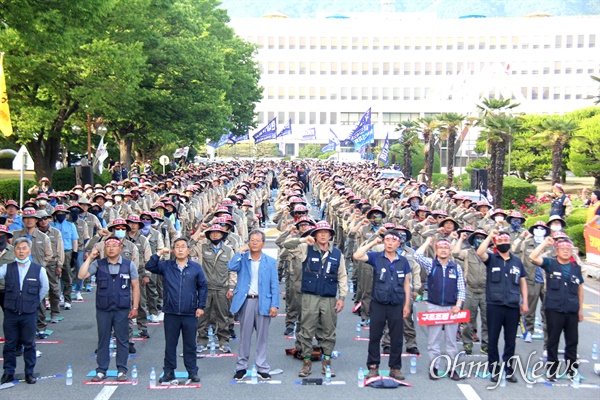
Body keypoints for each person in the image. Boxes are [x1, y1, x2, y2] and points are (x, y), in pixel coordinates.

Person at [283, 221, 348, 378]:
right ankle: (306, 363)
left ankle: (327, 363)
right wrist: (302, 240)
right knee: (306, 331)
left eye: (326, 232)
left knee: (328, 332)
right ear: (315, 235)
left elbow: (342, 275)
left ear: (331, 235)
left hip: (329, 298)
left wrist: (342, 297)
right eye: (320, 232)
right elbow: (286, 244)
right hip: (309, 297)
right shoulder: (306, 249)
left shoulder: (338, 254)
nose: (324, 235)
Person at [145, 238, 208, 384]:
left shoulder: (196, 267)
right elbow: (150, 266)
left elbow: (203, 287)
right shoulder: (167, 266)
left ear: (188, 250)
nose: (180, 249)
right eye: (177, 247)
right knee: (170, 344)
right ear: (173, 250)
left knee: (190, 344)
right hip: (171, 312)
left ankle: (192, 371)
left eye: (183, 247)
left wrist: (201, 306)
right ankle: (169, 372)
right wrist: (159, 253)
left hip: (190, 312)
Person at [78, 239, 140, 382]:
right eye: (108, 246)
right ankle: (101, 370)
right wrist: (90, 259)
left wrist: (135, 307)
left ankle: (122, 370)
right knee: (103, 340)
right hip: (103, 309)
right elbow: (81, 276)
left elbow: (135, 286)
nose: (111, 249)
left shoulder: (128, 265)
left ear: (120, 248)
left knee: (123, 340)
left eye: (114, 246)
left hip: (122, 308)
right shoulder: (98, 264)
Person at [353, 230, 411, 380]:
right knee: (375, 336)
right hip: (378, 302)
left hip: (396, 303)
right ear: (384, 242)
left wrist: (407, 304)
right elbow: (357, 255)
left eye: (393, 241)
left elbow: (406, 283)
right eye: (387, 240)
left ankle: (395, 367)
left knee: (397, 337)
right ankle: (373, 366)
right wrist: (373, 242)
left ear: (399, 243)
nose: (390, 243)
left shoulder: (403, 261)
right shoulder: (376, 257)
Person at [529, 234, 584, 381]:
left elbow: (580, 288)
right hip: (554, 308)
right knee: (553, 340)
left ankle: (571, 370)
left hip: (571, 309)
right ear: (557, 251)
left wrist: (580, 309)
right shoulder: (550, 263)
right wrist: (545, 244)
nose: (566, 251)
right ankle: (552, 370)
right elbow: (533, 257)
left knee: (572, 341)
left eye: (568, 249)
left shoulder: (576, 268)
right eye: (562, 249)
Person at [476, 230, 528, 383]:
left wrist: (525, 301)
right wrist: (490, 237)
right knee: (493, 339)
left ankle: (509, 369)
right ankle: (494, 370)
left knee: (510, 340)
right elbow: (480, 252)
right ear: (496, 244)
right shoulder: (491, 258)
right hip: (494, 305)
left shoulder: (517, 261)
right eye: (501, 240)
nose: (504, 242)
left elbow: (523, 281)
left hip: (512, 305)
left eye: (506, 239)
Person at [228, 230, 279, 381]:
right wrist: (240, 251)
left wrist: (274, 304)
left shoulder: (270, 261)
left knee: (262, 336)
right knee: (245, 336)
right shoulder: (243, 258)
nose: (254, 242)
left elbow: (274, 285)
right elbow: (231, 266)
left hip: (264, 301)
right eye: (252, 240)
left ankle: (262, 367)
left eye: (258, 240)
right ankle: (241, 367)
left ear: (263, 243)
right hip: (247, 301)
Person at [414, 237, 465, 381]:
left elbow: (461, 288)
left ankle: (451, 368)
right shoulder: (431, 264)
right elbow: (417, 256)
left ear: (450, 251)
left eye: (446, 248)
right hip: (434, 306)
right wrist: (426, 242)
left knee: (451, 341)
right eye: (440, 248)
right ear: (436, 250)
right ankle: (434, 367)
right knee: (433, 340)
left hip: (451, 308)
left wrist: (458, 305)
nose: (443, 250)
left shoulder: (456, 267)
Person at [0, 238, 49, 385]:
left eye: (24, 248)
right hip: (11, 312)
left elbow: (44, 289)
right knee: (10, 344)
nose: (21, 251)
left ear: (29, 250)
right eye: (18, 248)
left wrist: (33, 303)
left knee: (29, 344)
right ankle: (8, 373)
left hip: (29, 312)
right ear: (14, 250)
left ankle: (29, 373)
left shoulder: (38, 269)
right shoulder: (7, 268)